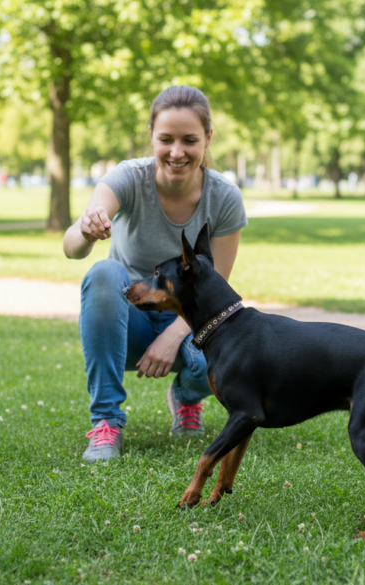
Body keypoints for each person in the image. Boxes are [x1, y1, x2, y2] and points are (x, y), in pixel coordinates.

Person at [62, 85, 248, 463]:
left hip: (189, 324)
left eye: (189, 140)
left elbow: (219, 292)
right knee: (103, 272)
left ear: (208, 139)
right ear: (151, 136)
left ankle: (186, 395)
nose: (176, 152)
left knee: (216, 356)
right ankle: (106, 423)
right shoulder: (129, 177)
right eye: (166, 139)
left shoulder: (224, 198)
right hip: (128, 321)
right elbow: (71, 248)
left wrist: (173, 338)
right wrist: (85, 227)